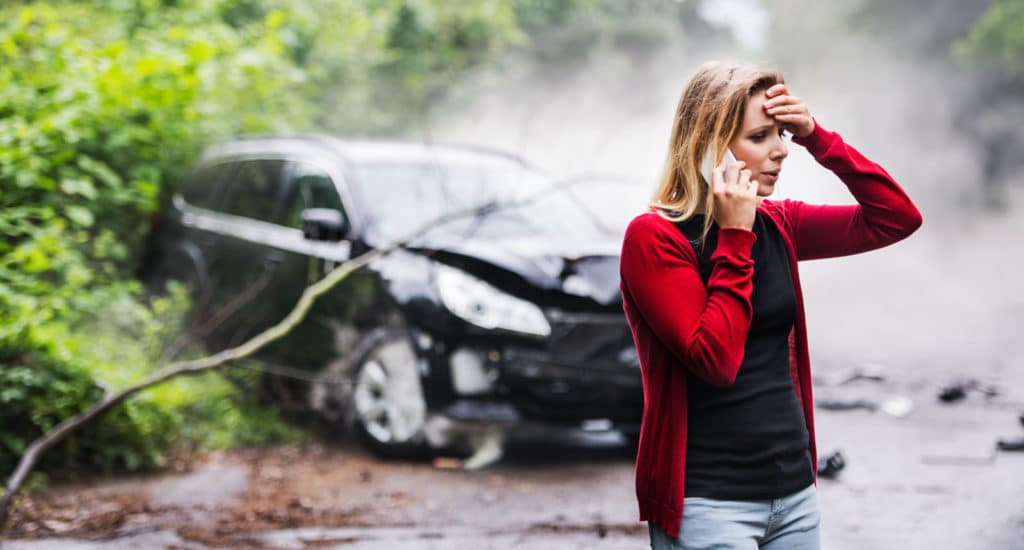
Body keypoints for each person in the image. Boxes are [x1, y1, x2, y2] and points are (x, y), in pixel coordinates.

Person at [618, 61, 922, 549]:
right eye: (761, 136)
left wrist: (818, 137)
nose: (781, 150)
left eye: (781, 133)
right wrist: (735, 235)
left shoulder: (778, 223)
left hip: (794, 497)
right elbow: (715, 360)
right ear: (708, 146)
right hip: (709, 504)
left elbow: (896, 218)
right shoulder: (655, 238)